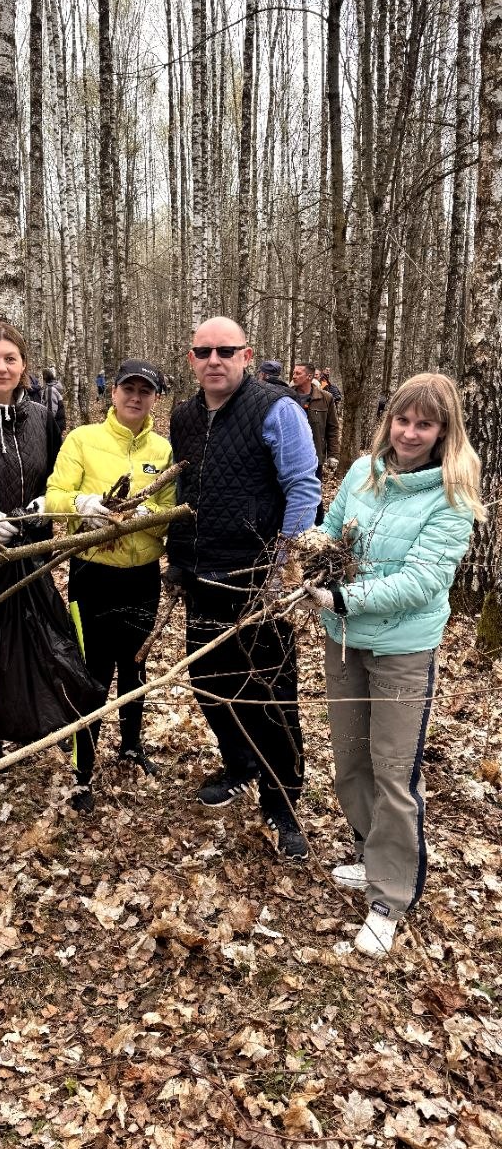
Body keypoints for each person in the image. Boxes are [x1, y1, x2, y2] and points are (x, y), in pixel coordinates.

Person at [301, 373, 484, 957]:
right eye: (402, 420)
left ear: (443, 432)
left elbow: (424, 580)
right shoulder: (362, 473)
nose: (409, 433)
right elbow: (331, 534)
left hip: (403, 648)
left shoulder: (452, 497)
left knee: (394, 771)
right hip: (346, 638)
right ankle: (367, 851)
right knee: (350, 759)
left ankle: (389, 895)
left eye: (423, 424)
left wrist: (345, 597)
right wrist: (307, 556)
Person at [167, 317, 320, 859]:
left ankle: (284, 805)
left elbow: (303, 488)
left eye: (225, 351)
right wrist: (178, 557)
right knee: (209, 684)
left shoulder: (278, 410)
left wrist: (283, 569)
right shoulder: (183, 416)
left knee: (270, 695)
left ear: (246, 354)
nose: (214, 360)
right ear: (191, 359)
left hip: (258, 582)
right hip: (202, 576)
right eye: (203, 351)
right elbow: (184, 488)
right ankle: (239, 765)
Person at [46, 358, 175, 813]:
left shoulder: (163, 449)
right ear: (113, 393)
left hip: (141, 576)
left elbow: (172, 512)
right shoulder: (83, 439)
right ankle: (83, 772)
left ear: (155, 397)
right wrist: (83, 504)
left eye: (145, 391)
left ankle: (132, 746)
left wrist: (150, 518)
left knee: (135, 667)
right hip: (92, 574)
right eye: (128, 389)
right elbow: (54, 499)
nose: (135, 398)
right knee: (92, 672)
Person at [0, 321, 62, 764]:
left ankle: (34, 722)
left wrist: (49, 501)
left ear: (24, 366)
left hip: (34, 547)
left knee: (37, 631)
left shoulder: (41, 416)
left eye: (10, 359)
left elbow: (60, 473)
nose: (1, 368)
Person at [291, 361, 341, 524]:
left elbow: (332, 428)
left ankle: (319, 526)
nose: (294, 375)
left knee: (314, 492)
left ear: (309, 376)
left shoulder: (325, 398)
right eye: (294, 372)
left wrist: (333, 455)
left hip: (314, 455)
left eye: (298, 373)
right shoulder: (287, 395)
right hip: (290, 454)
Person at [42, 367, 67, 433]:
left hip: (54, 424)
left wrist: (48, 424)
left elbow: (51, 409)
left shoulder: (50, 389)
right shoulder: (55, 386)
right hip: (58, 422)